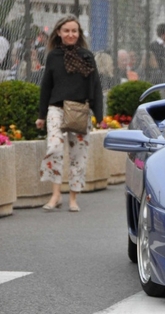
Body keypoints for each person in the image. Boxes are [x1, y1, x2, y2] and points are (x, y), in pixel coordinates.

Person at [35, 15, 103, 212]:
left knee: (78, 156)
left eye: (74, 31)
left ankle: (73, 197)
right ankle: (56, 194)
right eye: (66, 31)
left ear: (79, 33)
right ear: (59, 33)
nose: (70, 34)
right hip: (56, 109)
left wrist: (99, 115)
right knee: (54, 147)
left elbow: (96, 85)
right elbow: (46, 87)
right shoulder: (53, 56)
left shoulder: (87, 56)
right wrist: (41, 115)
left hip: (80, 110)